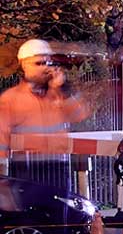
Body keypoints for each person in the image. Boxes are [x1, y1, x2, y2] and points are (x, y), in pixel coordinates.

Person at [0, 39, 89, 176]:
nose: (46, 68)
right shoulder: (11, 99)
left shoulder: (58, 93)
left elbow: (80, 115)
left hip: (58, 169)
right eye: (39, 63)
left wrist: (63, 89)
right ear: (24, 65)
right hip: (26, 171)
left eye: (48, 63)